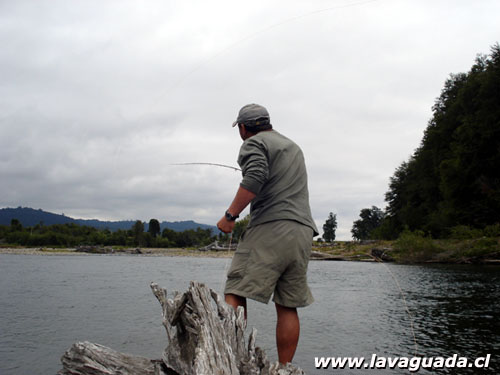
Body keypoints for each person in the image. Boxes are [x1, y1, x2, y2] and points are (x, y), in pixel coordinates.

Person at [217, 103, 318, 365]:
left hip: (272, 228)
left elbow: (255, 177)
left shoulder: (253, 144)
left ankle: (230, 361)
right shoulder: (293, 147)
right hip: (303, 231)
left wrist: (230, 217)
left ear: (242, 128)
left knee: (236, 290)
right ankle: (284, 369)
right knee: (287, 304)